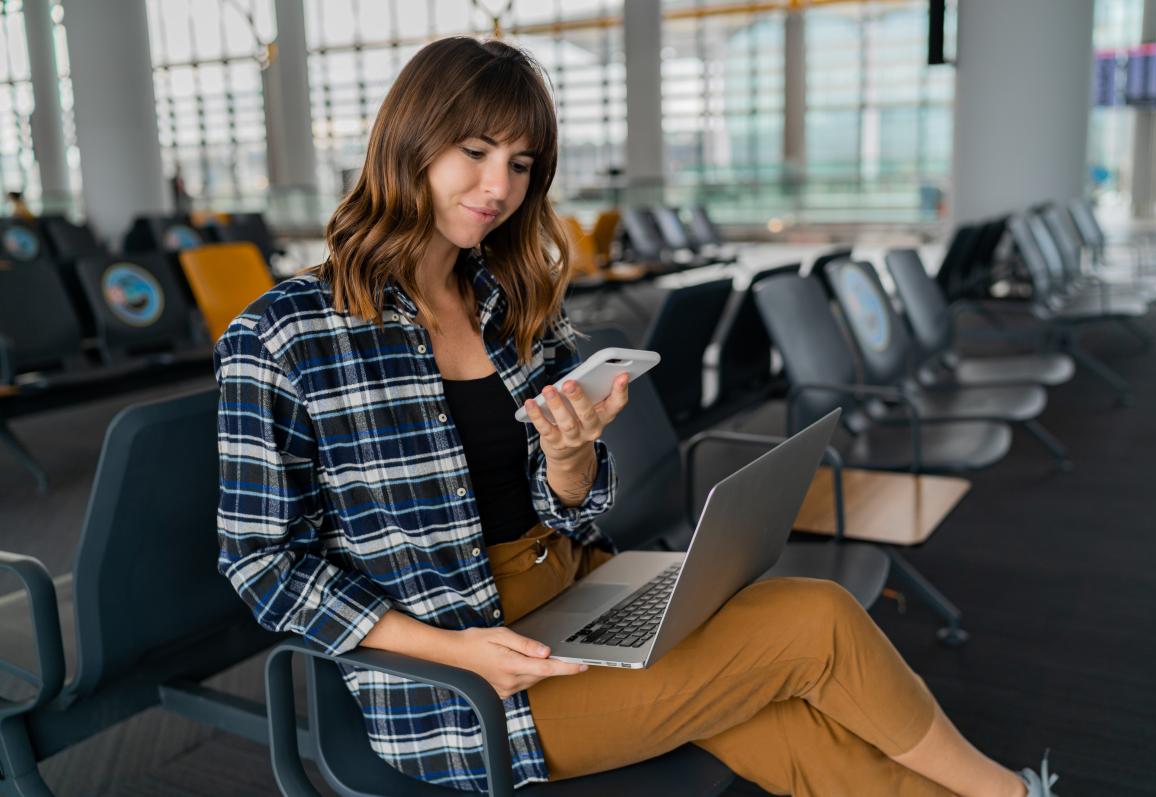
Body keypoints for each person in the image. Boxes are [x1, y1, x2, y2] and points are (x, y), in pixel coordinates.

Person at [214, 37, 1058, 797]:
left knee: (785, 720)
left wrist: (572, 455)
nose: (499, 186)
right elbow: (260, 562)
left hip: (576, 591)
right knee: (819, 624)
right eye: (473, 152)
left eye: (520, 163)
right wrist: (455, 650)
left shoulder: (506, 306)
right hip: (465, 683)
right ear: (407, 143)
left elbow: (569, 503)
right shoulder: (284, 333)